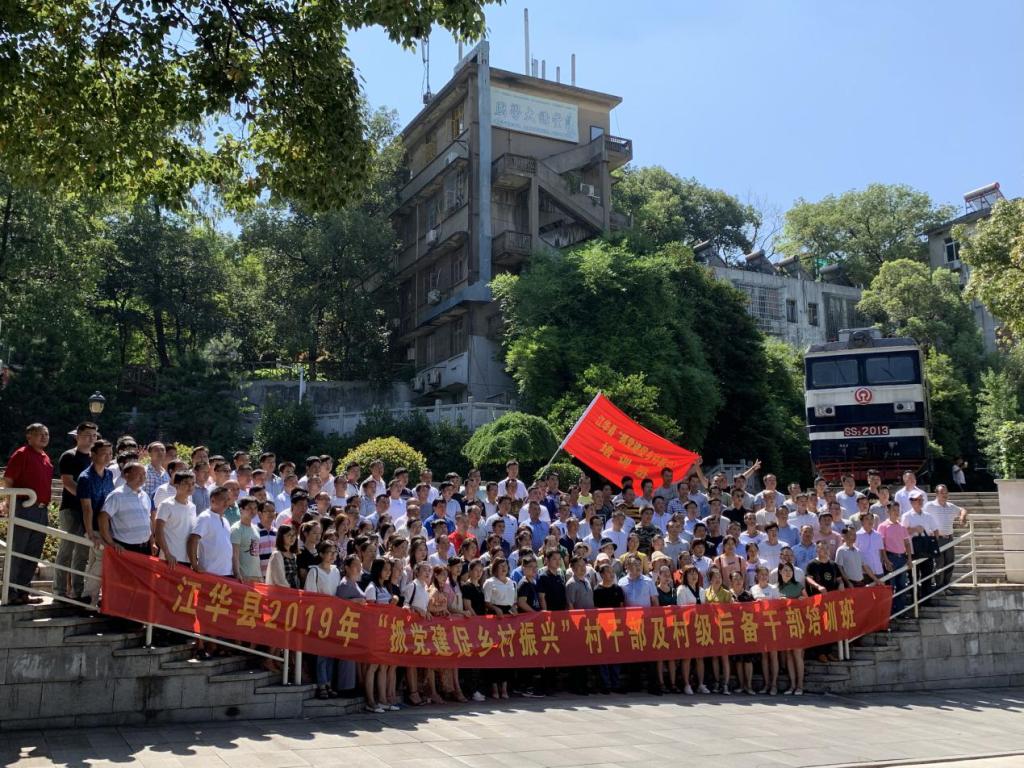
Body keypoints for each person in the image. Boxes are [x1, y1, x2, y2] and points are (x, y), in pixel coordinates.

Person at [2, 424, 54, 604]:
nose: (44, 437)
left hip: (41, 509)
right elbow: (8, 480)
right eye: (40, 434)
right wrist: (9, 503)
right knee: (18, 550)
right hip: (24, 507)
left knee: (33, 553)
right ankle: (10, 592)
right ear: (29, 437)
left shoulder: (45, 457)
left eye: (46, 434)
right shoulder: (22, 454)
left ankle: (24, 592)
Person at [53, 422, 97, 598]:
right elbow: (68, 482)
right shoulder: (69, 456)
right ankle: (60, 590)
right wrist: (85, 497)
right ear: (77, 436)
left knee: (82, 553)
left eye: (94, 435)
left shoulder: (95, 458)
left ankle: (77, 592)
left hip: (89, 511)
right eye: (87, 435)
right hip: (71, 509)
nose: (91, 438)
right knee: (66, 549)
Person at [77, 439, 115, 605]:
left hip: (106, 525)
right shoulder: (85, 478)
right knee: (103, 558)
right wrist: (90, 533)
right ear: (93, 455)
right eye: (104, 454)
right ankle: (87, 596)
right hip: (92, 525)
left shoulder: (109, 474)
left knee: (94, 561)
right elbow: (87, 508)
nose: (108, 457)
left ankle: (90, 601)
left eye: (110, 453)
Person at [304, 542, 342, 699]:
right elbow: (310, 595)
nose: (333, 555)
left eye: (335, 552)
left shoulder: (336, 571)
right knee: (321, 652)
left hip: (334, 616)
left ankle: (329, 683)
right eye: (329, 552)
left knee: (331, 652)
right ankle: (321, 684)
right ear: (321, 554)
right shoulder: (314, 571)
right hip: (320, 616)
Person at [100, 462, 154, 555]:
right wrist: (111, 543)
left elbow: (148, 520)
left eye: (144, 474)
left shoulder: (144, 496)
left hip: (145, 547)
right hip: (125, 548)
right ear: (126, 475)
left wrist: (152, 542)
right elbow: (102, 518)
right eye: (138, 474)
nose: (142, 477)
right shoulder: (117, 495)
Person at [482, 557, 516, 699]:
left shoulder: (511, 582)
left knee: (507, 654)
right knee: (494, 654)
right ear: (495, 568)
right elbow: (486, 602)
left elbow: (513, 602)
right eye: (500, 566)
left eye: (505, 565)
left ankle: (505, 688)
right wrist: (496, 609)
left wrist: (513, 609)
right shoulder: (490, 582)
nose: (504, 568)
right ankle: (494, 687)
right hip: (495, 618)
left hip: (508, 619)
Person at [924, 485, 968, 590]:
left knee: (950, 563)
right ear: (936, 494)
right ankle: (939, 587)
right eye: (942, 493)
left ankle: (946, 586)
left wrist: (962, 516)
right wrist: (930, 532)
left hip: (949, 538)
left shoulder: (950, 506)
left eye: (946, 492)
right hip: (936, 539)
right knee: (939, 564)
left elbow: (963, 509)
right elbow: (922, 518)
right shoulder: (929, 505)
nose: (945, 495)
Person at [592, 562, 625, 694]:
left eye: (612, 572)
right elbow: (595, 610)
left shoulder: (618, 589)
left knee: (616, 655)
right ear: (601, 575)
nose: (611, 574)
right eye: (608, 572)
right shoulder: (597, 590)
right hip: (602, 627)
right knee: (604, 656)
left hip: (616, 627)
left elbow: (621, 608)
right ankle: (605, 684)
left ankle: (616, 683)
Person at [155, 470, 197, 570]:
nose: (190, 487)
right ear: (176, 485)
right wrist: (167, 553)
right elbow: (158, 531)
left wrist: (194, 558)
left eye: (192, 483)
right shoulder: (166, 505)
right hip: (170, 559)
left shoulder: (192, 507)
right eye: (186, 483)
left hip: (187, 559)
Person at [901, 491, 940, 598]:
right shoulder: (906, 516)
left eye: (921, 499)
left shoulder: (928, 515)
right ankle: (915, 600)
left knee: (927, 576)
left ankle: (926, 600)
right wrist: (914, 529)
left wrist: (933, 543)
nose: (920, 502)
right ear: (911, 501)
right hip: (912, 551)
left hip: (927, 551)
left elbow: (936, 530)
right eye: (917, 500)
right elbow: (902, 532)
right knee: (913, 577)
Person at [675, 565, 706, 694]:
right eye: (690, 573)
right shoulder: (682, 589)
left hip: (700, 626)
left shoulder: (702, 590)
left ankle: (701, 684)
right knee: (687, 657)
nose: (693, 576)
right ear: (685, 576)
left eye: (695, 573)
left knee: (700, 657)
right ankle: (687, 684)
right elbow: (680, 608)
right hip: (687, 627)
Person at [776, 562, 806, 695]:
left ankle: (800, 685)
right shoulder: (776, 588)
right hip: (784, 624)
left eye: (790, 570)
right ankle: (792, 685)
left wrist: (800, 600)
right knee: (788, 654)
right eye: (785, 570)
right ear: (780, 572)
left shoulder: (799, 586)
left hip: (797, 623)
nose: (788, 573)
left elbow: (808, 602)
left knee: (797, 654)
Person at [750, 565, 781, 695]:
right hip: (759, 625)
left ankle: (774, 685)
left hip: (772, 625)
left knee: (773, 655)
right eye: (761, 574)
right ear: (757, 576)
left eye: (765, 574)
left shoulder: (773, 589)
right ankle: (766, 684)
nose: (763, 577)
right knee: (764, 656)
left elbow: (779, 607)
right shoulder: (753, 589)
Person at [878, 500, 912, 613]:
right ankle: (890, 611)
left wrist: (909, 559)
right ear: (888, 511)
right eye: (893, 510)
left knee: (902, 585)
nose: (896, 512)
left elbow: (907, 543)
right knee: (890, 585)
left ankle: (900, 610)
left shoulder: (902, 526)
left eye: (898, 510)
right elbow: (881, 545)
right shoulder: (883, 526)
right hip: (890, 557)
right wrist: (886, 560)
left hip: (902, 558)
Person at [703, 567, 733, 693]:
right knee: (714, 657)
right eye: (715, 577)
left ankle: (725, 684)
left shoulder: (727, 593)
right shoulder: (705, 592)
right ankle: (716, 682)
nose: (718, 579)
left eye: (719, 577)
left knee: (724, 657)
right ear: (710, 580)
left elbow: (731, 611)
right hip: (711, 628)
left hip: (724, 627)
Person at [728, 571, 757, 695]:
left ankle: (748, 686)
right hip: (734, 630)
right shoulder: (728, 595)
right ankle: (741, 685)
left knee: (748, 659)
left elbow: (755, 611)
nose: (738, 581)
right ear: (731, 581)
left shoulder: (749, 595)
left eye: (740, 578)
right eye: (735, 579)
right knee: (738, 660)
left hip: (748, 629)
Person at [654, 564, 679, 693]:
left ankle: (673, 683)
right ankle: (661, 683)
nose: (667, 577)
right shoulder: (656, 590)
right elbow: (655, 608)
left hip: (672, 626)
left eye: (669, 574)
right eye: (664, 574)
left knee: (672, 656)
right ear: (659, 575)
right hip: (660, 626)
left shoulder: (674, 590)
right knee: (660, 656)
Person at [230, 498, 263, 584]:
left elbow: (256, 554)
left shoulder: (255, 528)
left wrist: (260, 576)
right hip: (244, 576)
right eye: (249, 508)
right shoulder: (236, 529)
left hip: (257, 576)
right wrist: (237, 574)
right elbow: (234, 554)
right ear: (241, 510)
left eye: (255, 508)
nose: (253, 511)